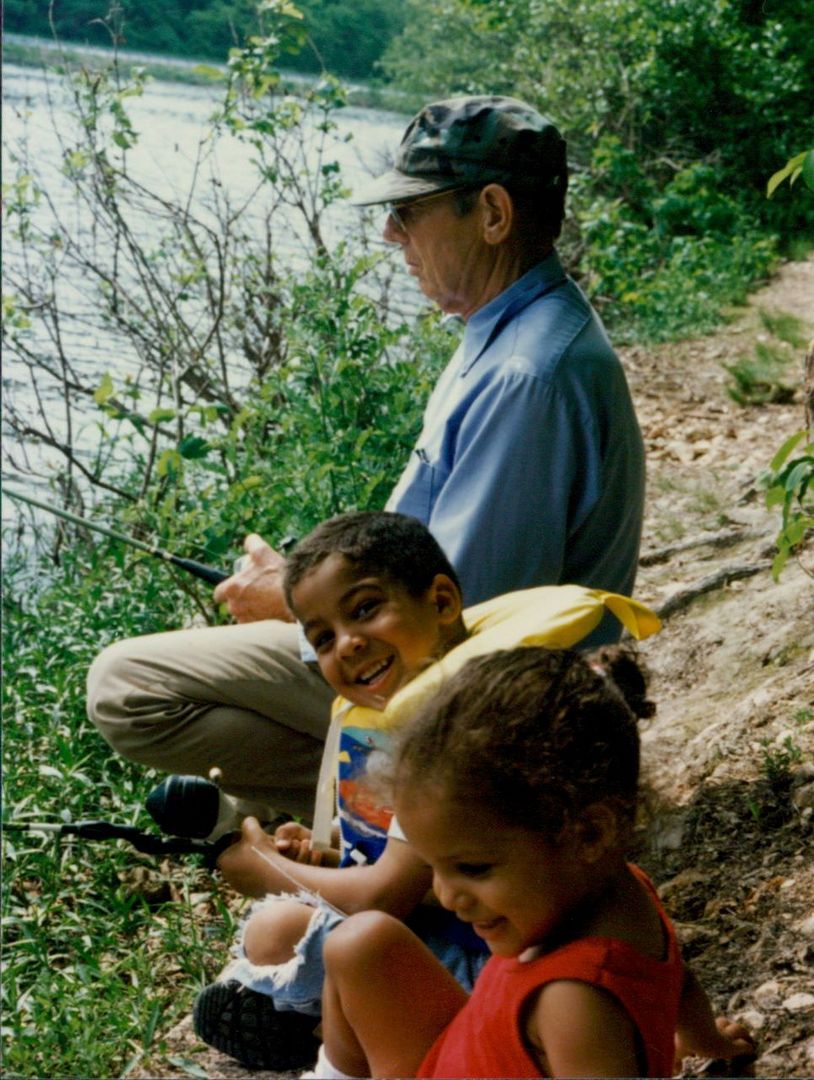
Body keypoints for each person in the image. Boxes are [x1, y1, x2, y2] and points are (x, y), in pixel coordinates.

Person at [86, 94, 644, 820]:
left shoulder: (525, 375)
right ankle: (365, 807)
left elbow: (461, 620)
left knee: (125, 687)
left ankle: (405, 811)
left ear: (493, 213)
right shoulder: (518, 332)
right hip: (470, 679)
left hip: (487, 709)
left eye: (409, 212)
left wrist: (299, 609)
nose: (390, 233)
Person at [192, 510, 661, 1070]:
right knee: (302, 936)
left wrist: (266, 869)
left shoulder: (462, 743)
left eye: (365, 610)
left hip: (490, 958)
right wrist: (328, 850)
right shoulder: (398, 723)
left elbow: (385, 893)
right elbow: (398, 859)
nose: (347, 645)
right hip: (463, 936)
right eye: (323, 638)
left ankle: (334, 1031)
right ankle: (325, 1032)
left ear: (441, 601)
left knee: (326, 937)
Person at [305, 648, 757, 1080]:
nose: (445, 894)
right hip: (459, 1049)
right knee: (360, 942)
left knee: (358, 943)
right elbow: (676, 979)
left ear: (589, 833)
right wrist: (708, 1041)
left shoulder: (573, 999)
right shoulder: (625, 889)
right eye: (432, 867)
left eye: (473, 868)